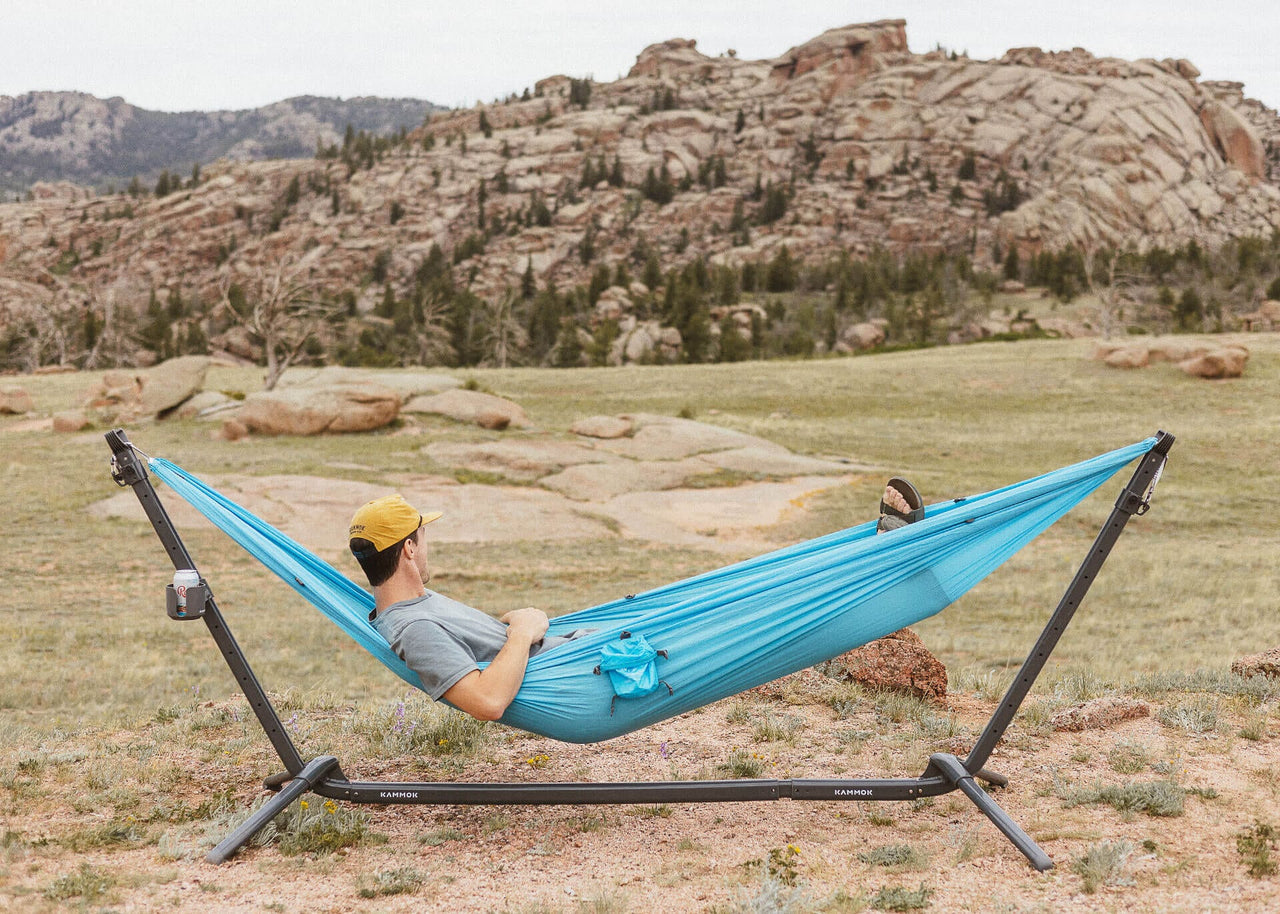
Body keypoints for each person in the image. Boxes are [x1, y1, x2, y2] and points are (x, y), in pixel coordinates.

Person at [350, 479, 923, 722]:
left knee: (731, 589)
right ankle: (883, 562)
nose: (429, 545)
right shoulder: (413, 628)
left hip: (593, 649)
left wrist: (513, 627)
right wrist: (524, 630)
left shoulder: (406, 606)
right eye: (423, 536)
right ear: (406, 551)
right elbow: (487, 702)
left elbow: (470, 647)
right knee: (753, 610)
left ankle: (873, 557)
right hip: (601, 676)